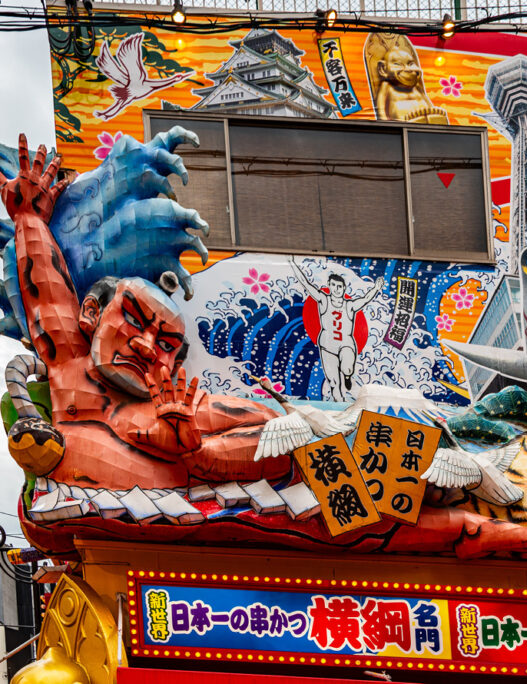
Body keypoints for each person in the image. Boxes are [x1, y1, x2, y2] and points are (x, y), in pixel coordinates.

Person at [0, 135, 291, 490]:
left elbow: (282, 437)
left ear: (175, 368)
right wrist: (29, 216)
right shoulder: (69, 362)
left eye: (167, 343)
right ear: (92, 312)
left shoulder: (180, 411)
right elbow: (47, 296)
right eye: (134, 319)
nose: (146, 345)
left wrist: (199, 452)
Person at [290, 257, 384, 400]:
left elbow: (365, 299)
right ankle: (339, 405)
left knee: (347, 368)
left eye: (340, 286)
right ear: (329, 285)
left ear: (343, 288)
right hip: (328, 346)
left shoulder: (350, 305)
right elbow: (306, 283)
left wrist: (376, 288)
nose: (337, 289)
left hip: (346, 343)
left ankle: (347, 375)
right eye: (334, 285)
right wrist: (291, 263)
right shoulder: (323, 300)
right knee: (333, 382)